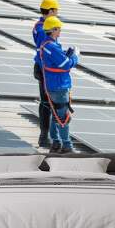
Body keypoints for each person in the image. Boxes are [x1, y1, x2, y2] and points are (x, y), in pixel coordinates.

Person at [39, 16, 79, 153]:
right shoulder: (51, 47)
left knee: (55, 114)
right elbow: (65, 64)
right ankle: (67, 145)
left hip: (52, 85)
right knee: (63, 116)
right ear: (53, 29)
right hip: (59, 85)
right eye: (59, 29)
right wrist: (74, 57)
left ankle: (55, 142)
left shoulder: (47, 44)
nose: (60, 31)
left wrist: (65, 54)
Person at [32, 0, 60, 148]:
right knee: (47, 103)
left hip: (42, 67)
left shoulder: (40, 25)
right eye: (56, 11)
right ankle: (44, 137)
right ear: (50, 11)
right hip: (45, 69)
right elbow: (48, 51)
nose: (57, 14)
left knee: (47, 103)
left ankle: (47, 136)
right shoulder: (44, 28)